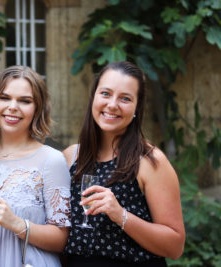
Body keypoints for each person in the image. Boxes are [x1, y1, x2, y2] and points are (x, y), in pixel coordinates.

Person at [63, 61, 185, 266]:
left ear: (137, 106)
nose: (112, 104)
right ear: (93, 97)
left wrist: (120, 215)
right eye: (105, 93)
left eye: (125, 98)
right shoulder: (71, 156)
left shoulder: (149, 161)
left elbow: (175, 246)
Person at [0, 65, 71, 267]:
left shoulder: (52, 160)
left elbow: (61, 239)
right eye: (5, 98)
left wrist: (16, 223)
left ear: (37, 109)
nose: (12, 107)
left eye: (25, 101)